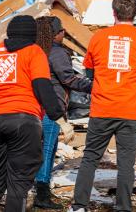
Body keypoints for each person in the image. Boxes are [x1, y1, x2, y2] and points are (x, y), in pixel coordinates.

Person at [0, 15, 74, 212]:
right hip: (24, 121)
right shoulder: (34, 51)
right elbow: (42, 86)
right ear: (33, 35)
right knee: (19, 181)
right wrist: (59, 118)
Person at [68, 0, 136, 212]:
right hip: (131, 110)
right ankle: (123, 207)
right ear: (135, 13)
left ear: (113, 12)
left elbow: (89, 73)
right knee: (126, 163)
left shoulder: (99, 38)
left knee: (90, 157)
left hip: (102, 108)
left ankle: (79, 206)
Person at [34, 16, 92, 210]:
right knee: (48, 150)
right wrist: (93, 86)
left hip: (32, 107)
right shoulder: (56, 52)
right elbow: (68, 79)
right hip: (53, 109)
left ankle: (32, 188)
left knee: (36, 150)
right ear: (54, 34)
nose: (64, 33)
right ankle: (42, 194)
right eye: (61, 31)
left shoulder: (34, 50)